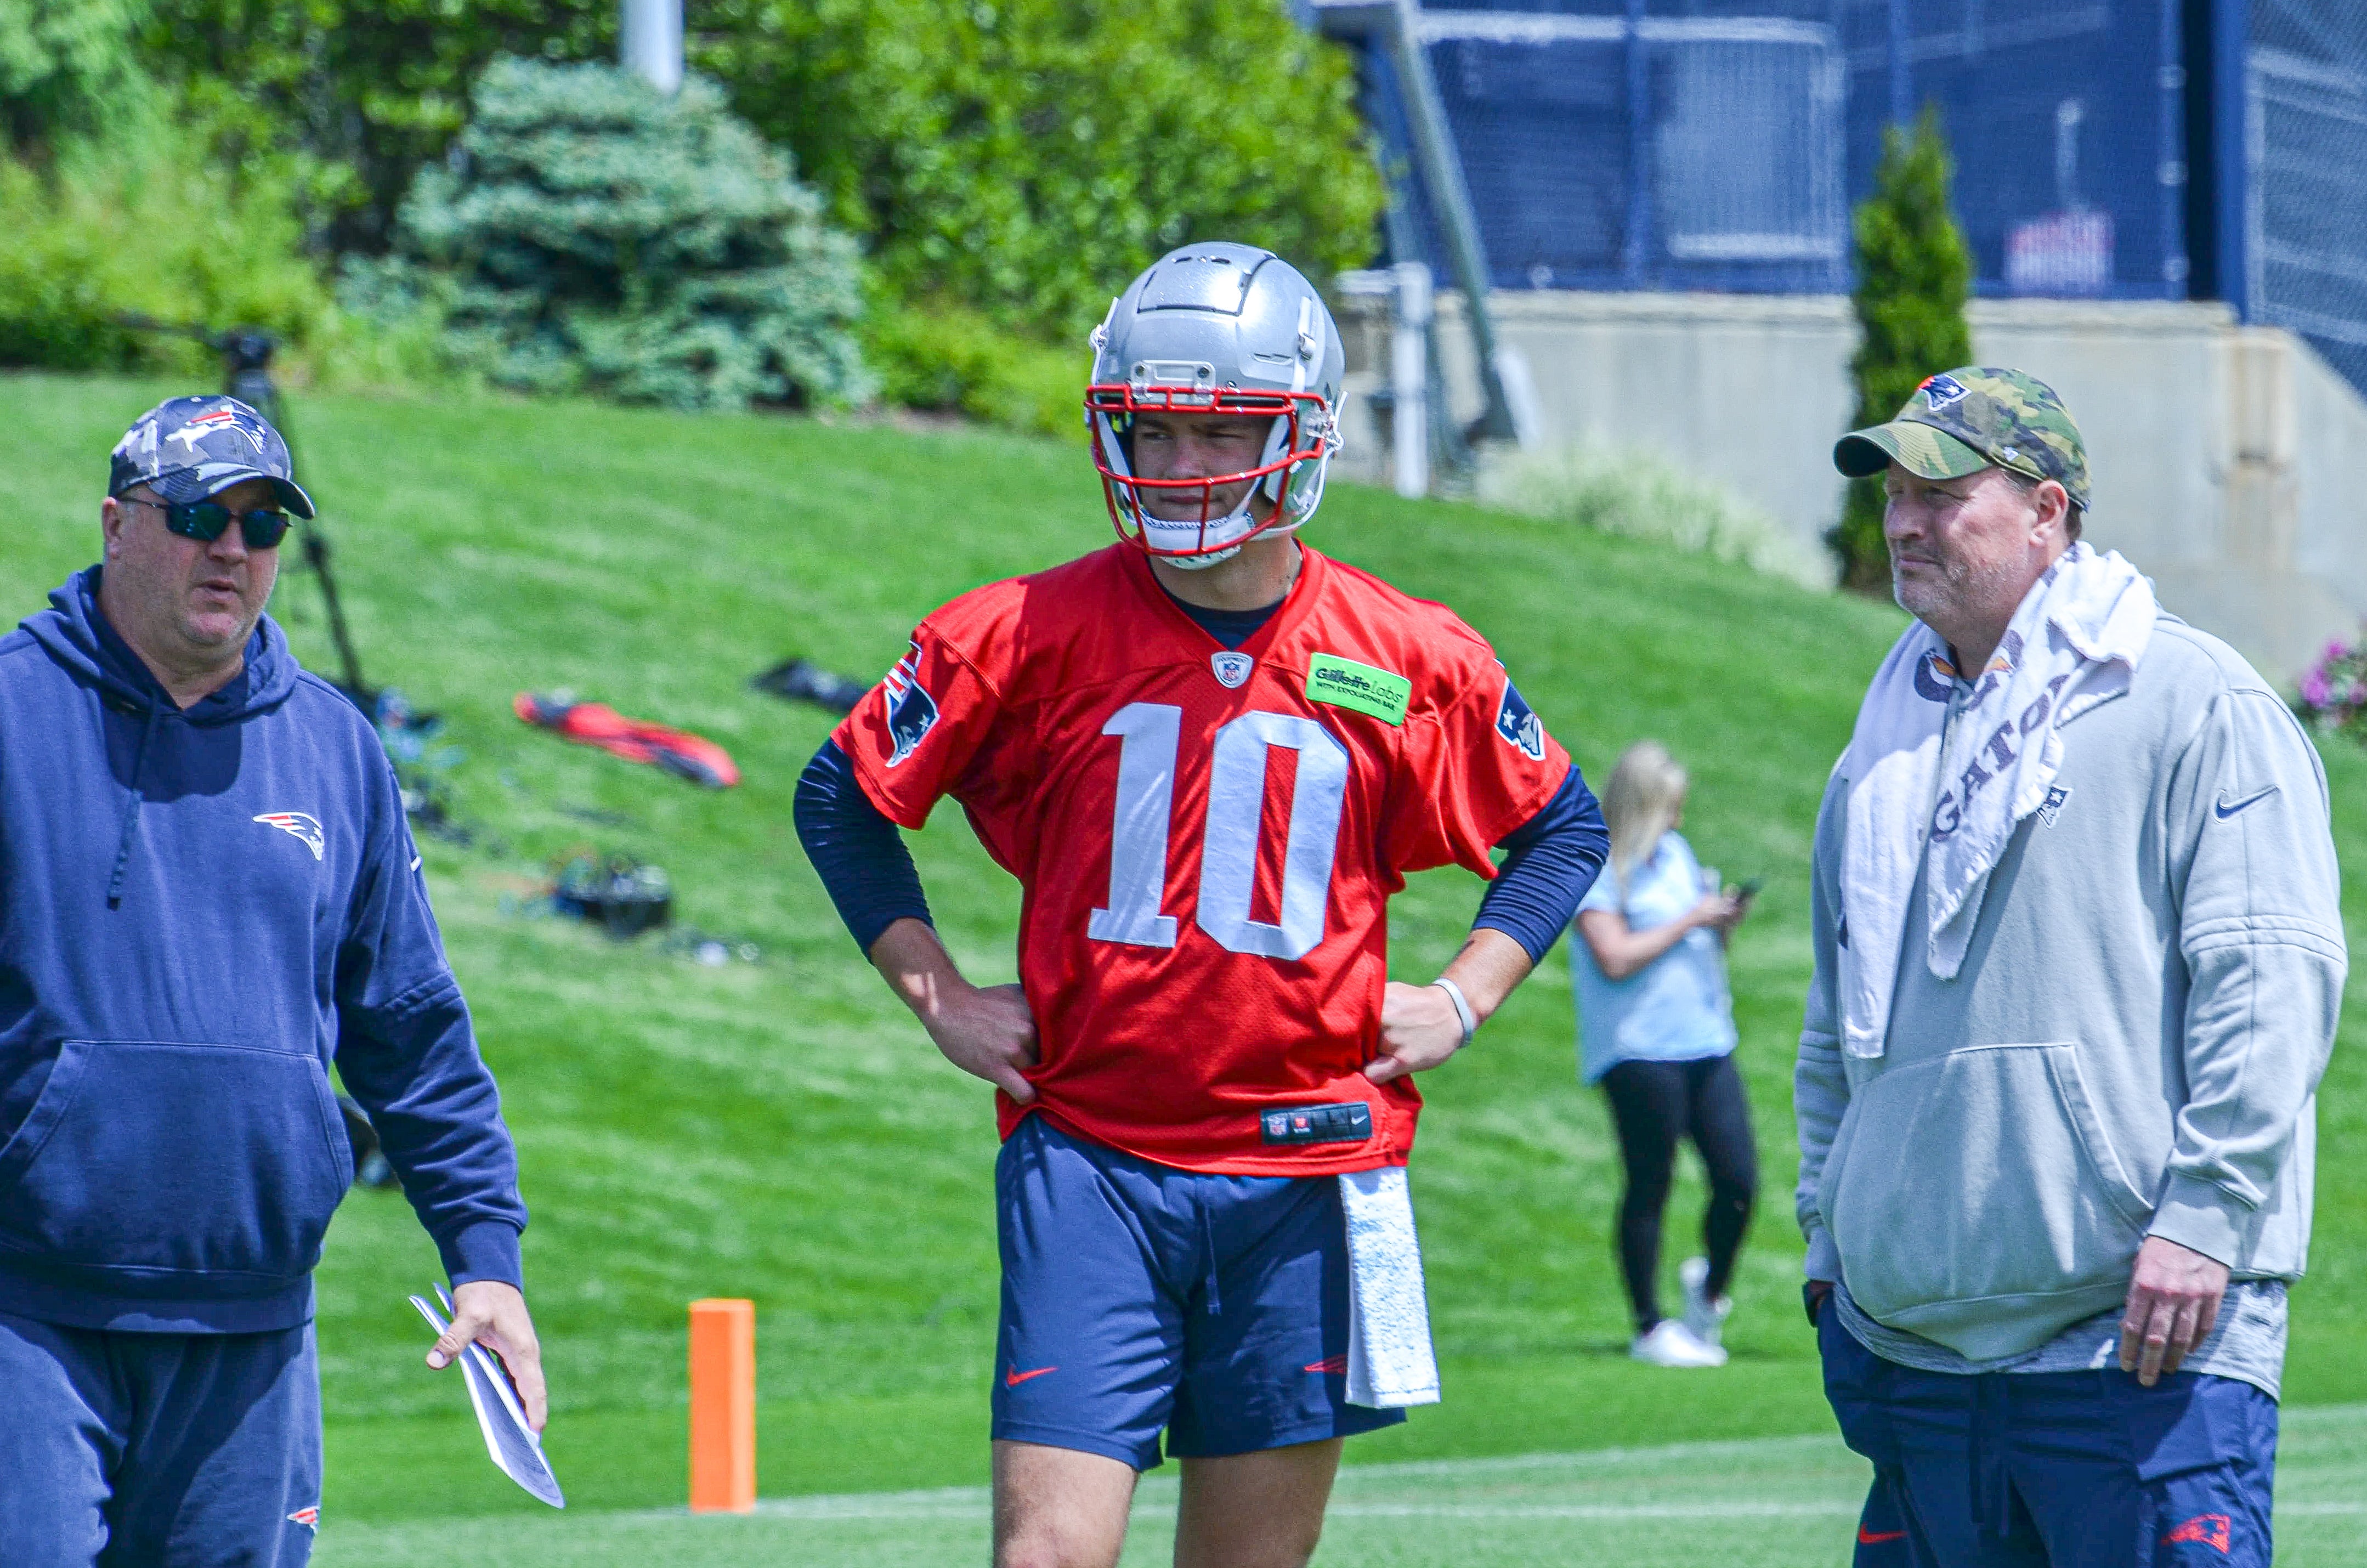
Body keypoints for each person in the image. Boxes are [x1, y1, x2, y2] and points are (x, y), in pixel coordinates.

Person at [794, 244, 1607, 1568]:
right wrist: (934, 992)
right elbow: (842, 795)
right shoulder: (1021, 631)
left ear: (1301, 434)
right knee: (1045, 1556)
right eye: (1150, 430)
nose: (1178, 469)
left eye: (1216, 431)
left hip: (1307, 1163)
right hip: (1095, 1155)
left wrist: (1466, 994)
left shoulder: (1405, 654)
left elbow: (1560, 828)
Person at [1797, 368, 2342, 1566]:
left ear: (2047, 511)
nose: (1901, 521)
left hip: (2141, 1348)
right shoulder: (1871, 757)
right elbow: (1837, 1032)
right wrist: (1828, 1243)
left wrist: (2204, 1216)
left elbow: (2270, 978)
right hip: (1916, 1359)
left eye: (1939, 490)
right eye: (1893, 492)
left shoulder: (2193, 700)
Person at [0, 395, 543, 1565]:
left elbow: (409, 1028)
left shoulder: (336, 746)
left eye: (264, 524)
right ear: (115, 523)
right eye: (200, 513)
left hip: (253, 1327)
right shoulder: (11, 711)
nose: (232, 549)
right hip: (26, 1315)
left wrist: (485, 1257)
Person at [1571, 740, 1754, 1369]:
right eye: (1669, 807)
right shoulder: (1596, 866)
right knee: (1650, 1182)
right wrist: (1688, 920)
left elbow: (1690, 940)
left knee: (1737, 1181)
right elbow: (1614, 957)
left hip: (1705, 1036)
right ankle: (1649, 1326)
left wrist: (1718, 923)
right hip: (1638, 1048)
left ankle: (1707, 1296)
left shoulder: (1675, 855)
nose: (1677, 820)